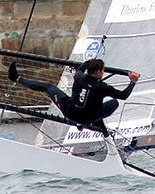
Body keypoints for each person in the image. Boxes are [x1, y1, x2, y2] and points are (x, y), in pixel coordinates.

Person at [9, 58, 139, 137]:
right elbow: (124, 96)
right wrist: (132, 81)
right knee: (114, 102)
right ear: (99, 72)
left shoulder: (79, 76)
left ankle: (16, 78)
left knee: (48, 87)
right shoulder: (103, 87)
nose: (103, 72)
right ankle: (92, 124)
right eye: (103, 70)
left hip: (69, 111)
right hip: (86, 118)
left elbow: (82, 67)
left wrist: (89, 62)